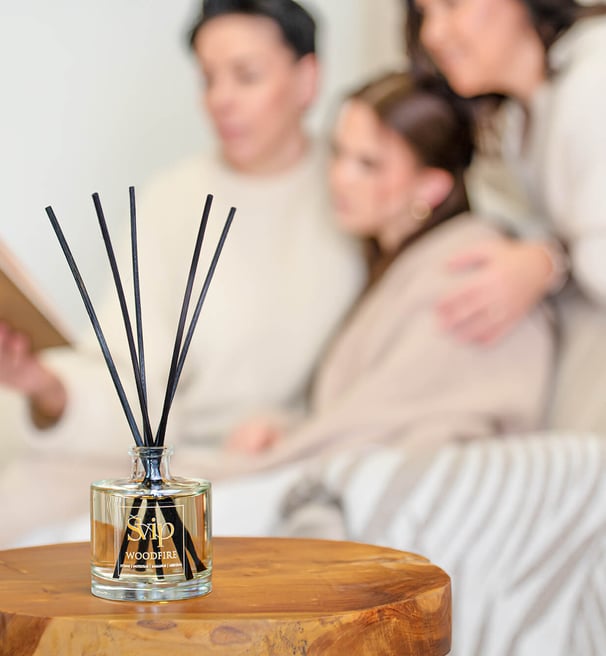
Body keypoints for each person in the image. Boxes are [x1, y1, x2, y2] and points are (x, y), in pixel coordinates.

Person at [0, 0, 364, 459]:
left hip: (298, 458)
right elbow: (130, 380)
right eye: (208, 78)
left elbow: (383, 367)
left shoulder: (356, 191)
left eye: (246, 75)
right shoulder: (174, 198)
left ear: (307, 79)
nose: (220, 100)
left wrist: (297, 430)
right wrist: (45, 386)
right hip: (178, 462)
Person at [219, 70, 553, 473]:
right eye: (338, 153)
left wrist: (288, 451)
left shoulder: (464, 267)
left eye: (368, 164)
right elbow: (375, 413)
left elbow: (404, 431)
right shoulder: (397, 262)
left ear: (431, 188)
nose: (340, 177)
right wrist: (288, 432)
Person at [403, 0, 606, 346]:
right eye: (424, 14)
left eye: (452, 5)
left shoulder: (593, 83)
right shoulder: (513, 125)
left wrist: (549, 263)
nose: (432, 34)